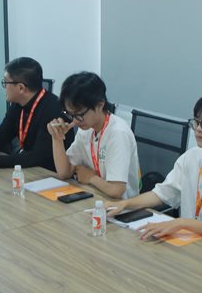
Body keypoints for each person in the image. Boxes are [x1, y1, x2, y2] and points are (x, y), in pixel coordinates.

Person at [108, 92, 202, 248]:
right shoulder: (191, 157)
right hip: (194, 244)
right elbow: (161, 194)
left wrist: (182, 223)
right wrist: (125, 204)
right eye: (197, 122)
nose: (198, 129)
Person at [47, 71, 140, 199]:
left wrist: (91, 178)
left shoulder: (118, 133)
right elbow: (64, 172)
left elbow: (117, 190)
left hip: (121, 205)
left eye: (79, 114)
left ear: (100, 105)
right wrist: (56, 137)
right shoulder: (86, 129)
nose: (75, 121)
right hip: (94, 197)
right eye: (70, 115)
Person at [0, 56, 71, 171]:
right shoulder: (18, 104)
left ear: (21, 88)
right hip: (28, 169)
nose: (4, 87)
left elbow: (38, 157)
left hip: (50, 174)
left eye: (6, 82)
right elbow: (1, 135)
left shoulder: (53, 110)